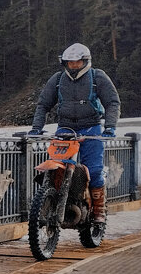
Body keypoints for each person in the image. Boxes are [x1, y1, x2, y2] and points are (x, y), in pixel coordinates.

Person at [28, 42, 121, 223]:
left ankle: (98, 210)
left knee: (94, 170)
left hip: (91, 128)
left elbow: (112, 102)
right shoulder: (57, 80)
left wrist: (110, 127)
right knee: (58, 168)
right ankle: (53, 200)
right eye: (70, 63)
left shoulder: (97, 77)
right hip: (65, 128)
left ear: (85, 61)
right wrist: (36, 128)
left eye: (77, 63)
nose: (74, 66)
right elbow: (43, 105)